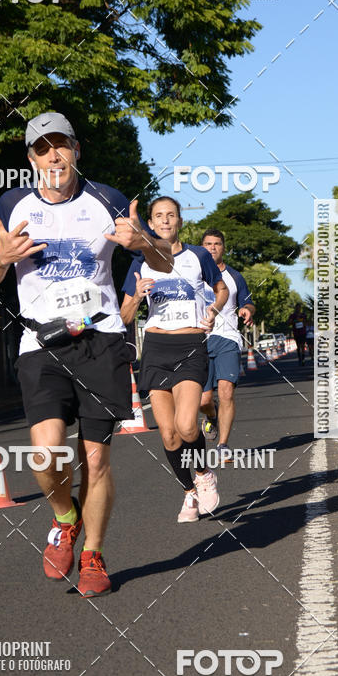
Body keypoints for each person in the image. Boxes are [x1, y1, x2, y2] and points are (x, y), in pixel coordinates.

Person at [0, 111, 172, 597]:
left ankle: (93, 555)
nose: (53, 155)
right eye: (42, 148)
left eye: (61, 145)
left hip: (101, 341)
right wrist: (2, 258)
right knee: (46, 453)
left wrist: (142, 240)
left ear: (76, 149)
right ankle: (65, 518)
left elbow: (163, 260)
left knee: (96, 461)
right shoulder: (13, 203)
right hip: (41, 342)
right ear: (31, 159)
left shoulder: (109, 200)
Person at [120, 197, 228, 522]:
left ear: (180, 221)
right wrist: (137, 296)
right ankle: (188, 494)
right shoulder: (140, 262)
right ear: (150, 224)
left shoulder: (198, 256)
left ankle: (204, 472)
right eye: (158, 216)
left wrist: (214, 309)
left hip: (191, 345)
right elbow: (123, 317)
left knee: (186, 425)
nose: (165, 221)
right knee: (168, 434)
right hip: (155, 347)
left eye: (171, 215)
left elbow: (221, 289)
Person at [198, 229, 255, 461]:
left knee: (226, 392)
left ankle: (223, 445)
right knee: (204, 400)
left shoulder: (234, 277)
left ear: (224, 248)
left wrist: (247, 310)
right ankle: (211, 417)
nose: (212, 248)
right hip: (199, 340)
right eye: (208, 244)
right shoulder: (193, 274)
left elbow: (249, 302)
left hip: (229, 339)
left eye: (217, 244)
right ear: (202, 247)